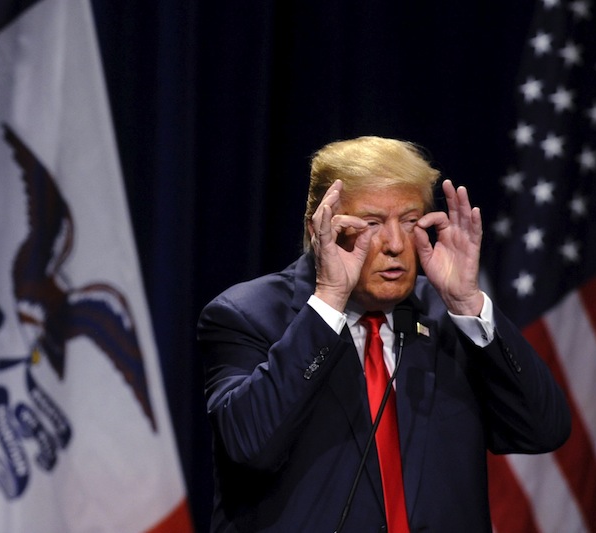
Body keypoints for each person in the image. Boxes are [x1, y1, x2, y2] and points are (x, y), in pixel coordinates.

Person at [197, 136, 571, 532]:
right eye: (372, 224)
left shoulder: (448, 317)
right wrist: (328, 302)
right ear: (321, 227)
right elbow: (250, 446)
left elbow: (543, 429)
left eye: (410, 221)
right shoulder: (248, 316)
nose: (395, 244)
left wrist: (467, 304)